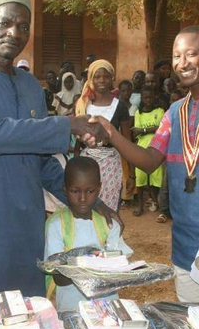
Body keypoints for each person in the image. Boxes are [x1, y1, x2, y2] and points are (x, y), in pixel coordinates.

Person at [0, 0, 112, 308]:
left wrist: (94, 203)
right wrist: (67, 124)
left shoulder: (30, 85)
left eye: (23, 26)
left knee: (26, 313)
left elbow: (41, 163)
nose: (14, 32)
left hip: (25, 222)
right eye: (5, 23)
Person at [92, 26, 199, 303]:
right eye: (177, 56)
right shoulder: (176, 112)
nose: (182, 63)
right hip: (184, 247)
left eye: (191, 54)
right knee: (192, 327)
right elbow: (150, 161)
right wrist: (111, 133)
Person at [45, 156, 132, 311]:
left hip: (107, 307)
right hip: (71, 308)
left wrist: (76, 265)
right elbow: (59, 278)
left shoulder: (109, 224)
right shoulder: (56, 226)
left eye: (90, 191)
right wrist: (97, 264)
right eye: (75, 191)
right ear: (64, 189)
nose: (83, 198)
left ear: (99, 188)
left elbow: (119, 269)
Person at [76, 59, 133, 212]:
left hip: (111, 163)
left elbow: (127, 141)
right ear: (91, 79)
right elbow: (77, 141)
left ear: (112, 78)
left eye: (106, 76)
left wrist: (131, 175)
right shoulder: (83, 105)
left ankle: (107, 236)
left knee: (109, 207)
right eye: (97, 76)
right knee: (85, 205)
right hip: (85, 163)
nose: (102, 80)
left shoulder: (120, 106)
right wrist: (73, 165)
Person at [131, 86, 165, 217]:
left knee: (156, 177)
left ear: (155, 97)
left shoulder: (159, 111)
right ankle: (140, 205)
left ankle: (154, 200)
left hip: (156, 148)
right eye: (146, 97)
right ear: (142, 99)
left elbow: (160, 128)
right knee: (141, 177)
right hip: (141, 148)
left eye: (151, 97)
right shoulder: (138, 113)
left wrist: (144, 130)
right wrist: (150, 129)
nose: (149, 100)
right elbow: (135, 131)